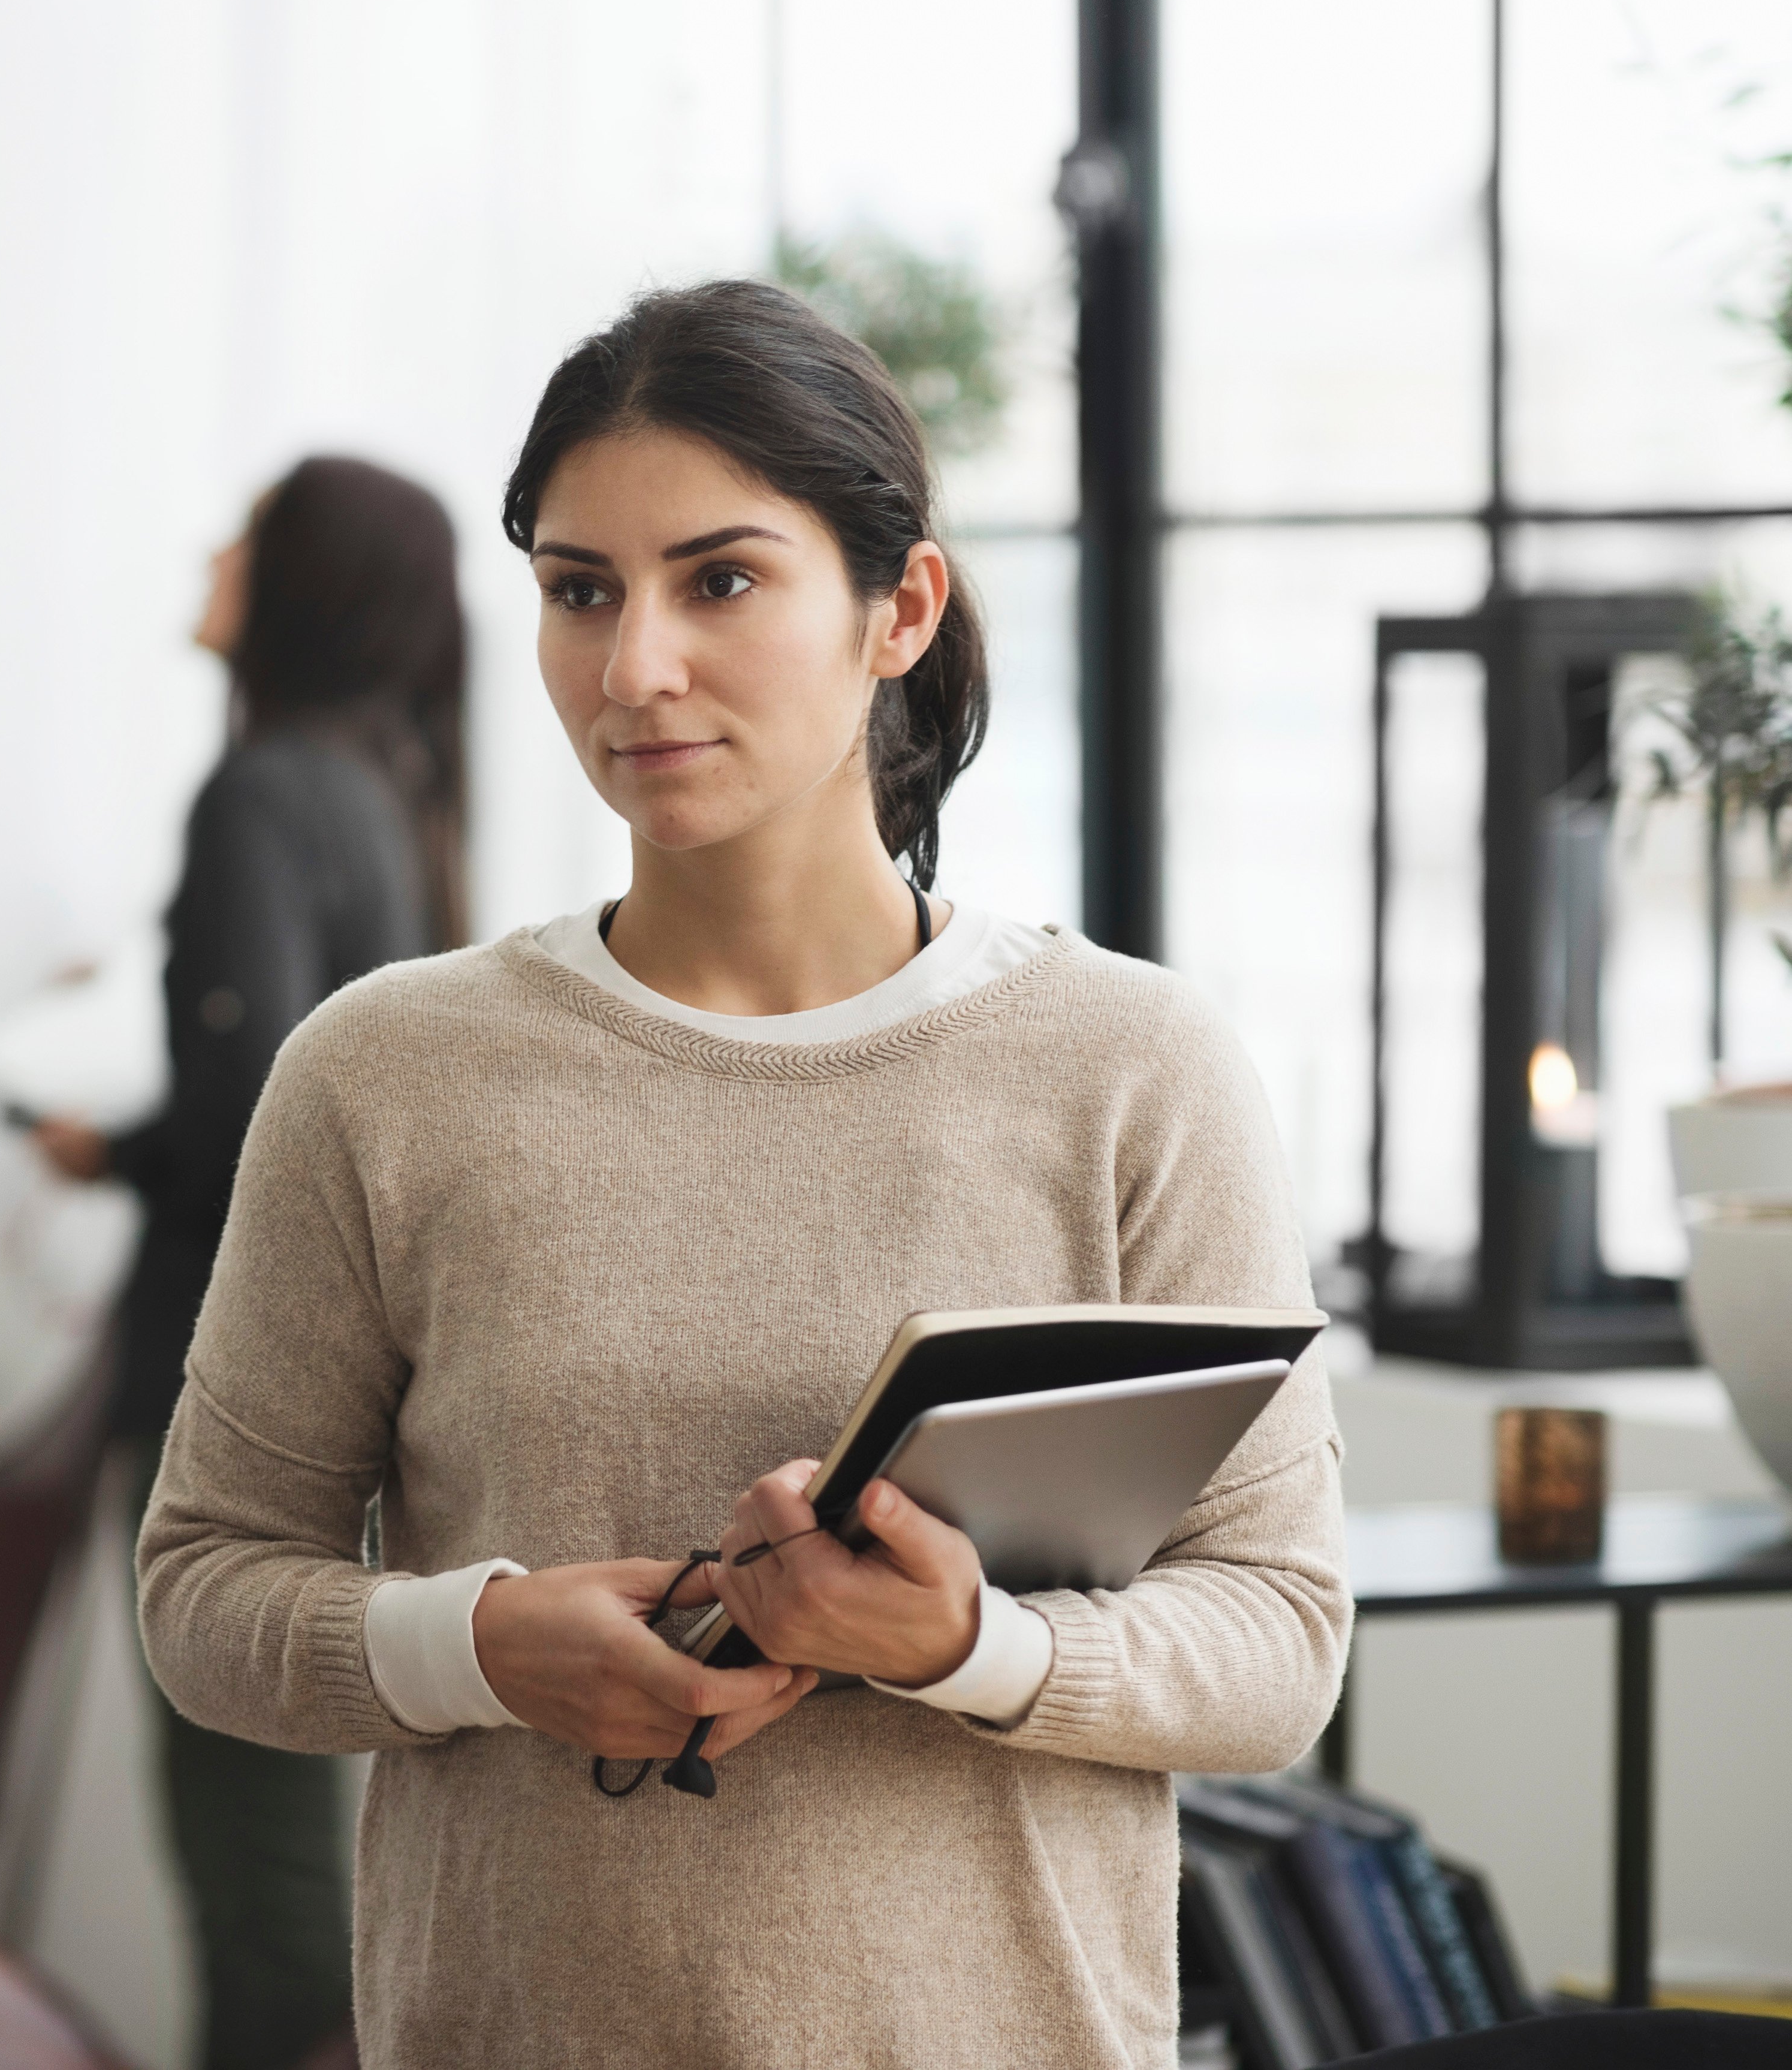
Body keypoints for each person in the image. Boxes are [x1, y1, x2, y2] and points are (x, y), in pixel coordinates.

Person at [134, 284, 1349, 2069]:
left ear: (898, 608)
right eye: (578, 590)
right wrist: (474, 1644)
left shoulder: (1130, 1069)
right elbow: (204, 1592)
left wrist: (967, 1646)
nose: (633, 668)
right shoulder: (383, 1073)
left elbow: (1274, 1641)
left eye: (718, 579)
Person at [32, 454, 467, 2070]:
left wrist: (105, 1146)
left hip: (233, 1383)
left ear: (301, 581)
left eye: (248, 532)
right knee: (303, 1830)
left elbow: (245, 1107)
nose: (212, 553)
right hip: (357, 1382)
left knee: (250, 1852)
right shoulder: (396, 790)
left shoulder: (262, 790)